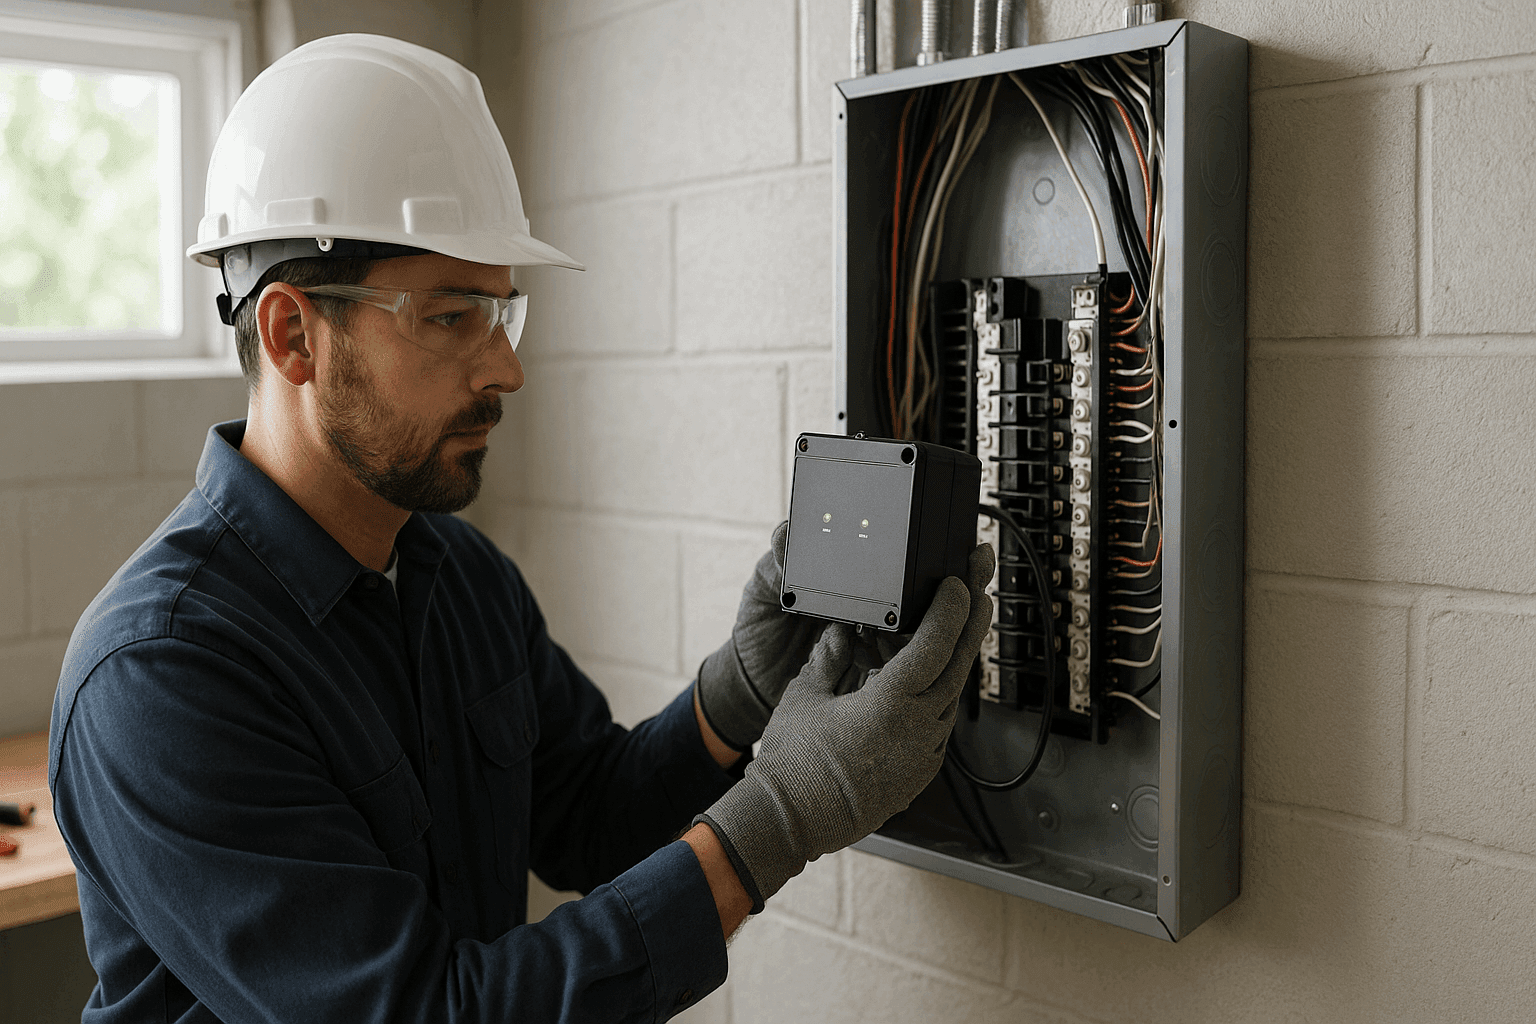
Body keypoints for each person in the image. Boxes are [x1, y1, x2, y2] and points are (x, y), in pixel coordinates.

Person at [49, 34, 993, 1023]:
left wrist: (738, 695)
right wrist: (784, 815)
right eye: (450, 318)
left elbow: (591, 814)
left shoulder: (455, 573)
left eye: (502, 313)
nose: (506, 368)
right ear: (294, 336)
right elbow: (425, 1013)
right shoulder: (162, 673)